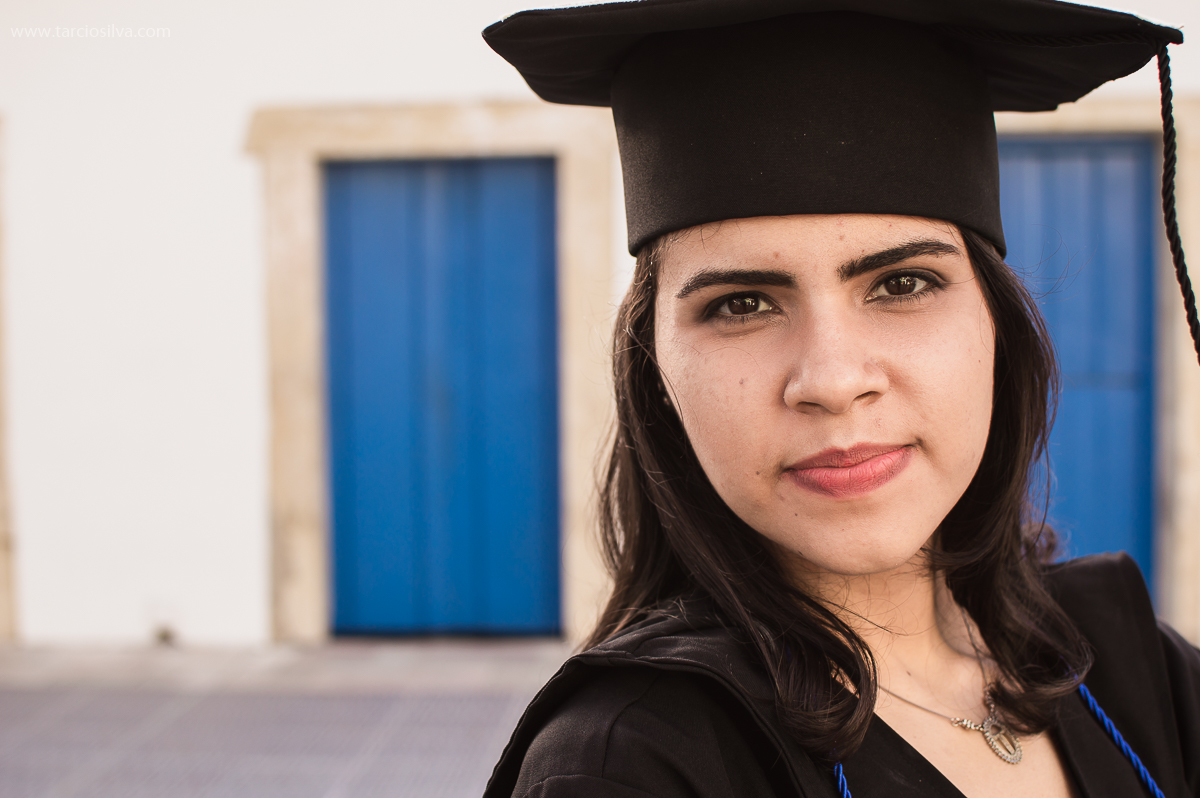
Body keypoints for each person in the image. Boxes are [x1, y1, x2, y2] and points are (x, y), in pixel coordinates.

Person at [481, 1, 1200, 796]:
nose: (831, 379)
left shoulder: (1123, 663)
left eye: (902, 283)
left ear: (998, 327)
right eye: (742, 303)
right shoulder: (634, 761)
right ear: (656, 372)